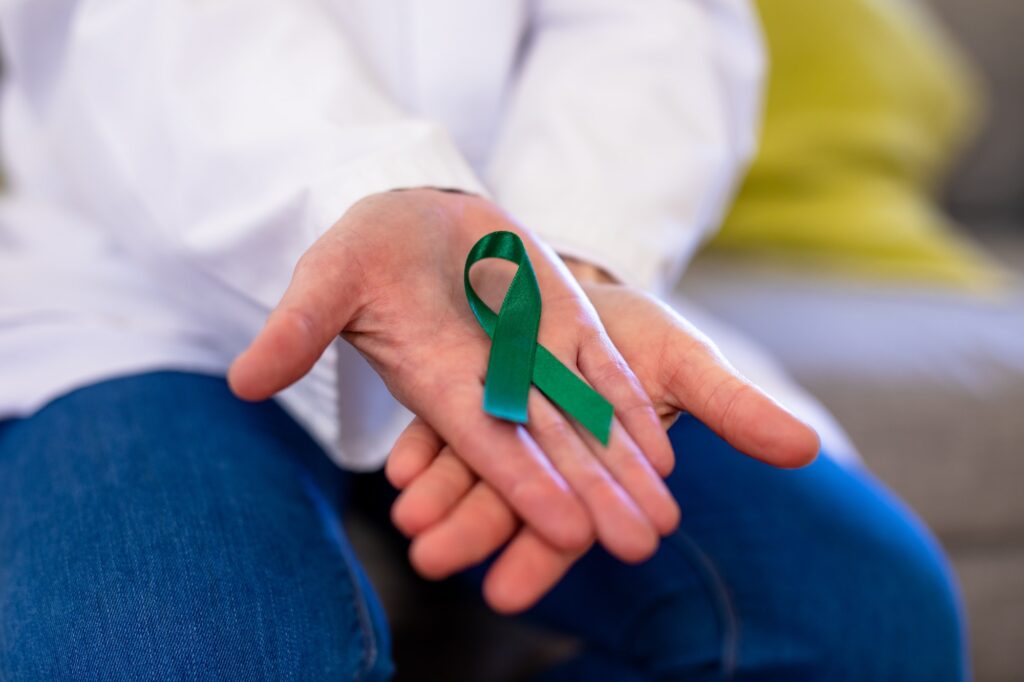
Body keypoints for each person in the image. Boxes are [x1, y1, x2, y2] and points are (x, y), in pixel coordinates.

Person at [0, 1, 966, 680]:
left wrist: (575, 256)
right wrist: (372, 192)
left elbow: (653, 21)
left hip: (527, 262)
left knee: (865, 623)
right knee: (176, 654)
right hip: (142, 289)